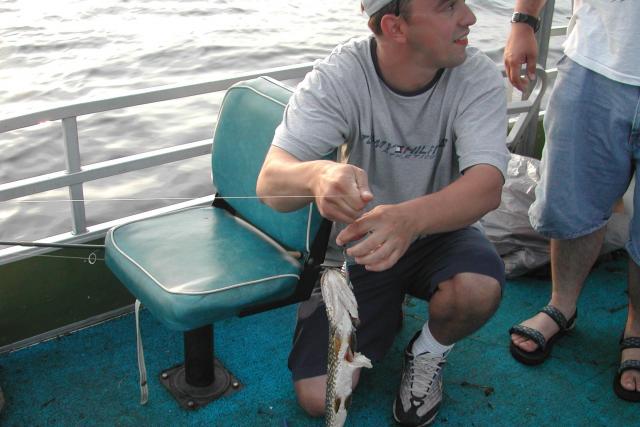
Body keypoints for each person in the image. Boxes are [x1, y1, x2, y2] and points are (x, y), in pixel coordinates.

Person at [257, 0, 509, 425]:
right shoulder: (340, 75)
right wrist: (317, 176)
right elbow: (270, 185)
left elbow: (487, 186)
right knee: (318, 398)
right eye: (448, 6)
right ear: (395, 27)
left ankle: (428, 351)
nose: (469, 17)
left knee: (478, 288)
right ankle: (384, 309)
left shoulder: (476, 75)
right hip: (362, 245)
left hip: (441, 232)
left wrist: (410, 220)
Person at [504, 0, 640, 402]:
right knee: (569, 200)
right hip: (594, 60)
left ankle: (637, 326)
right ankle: (561, 305)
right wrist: (524, 21)